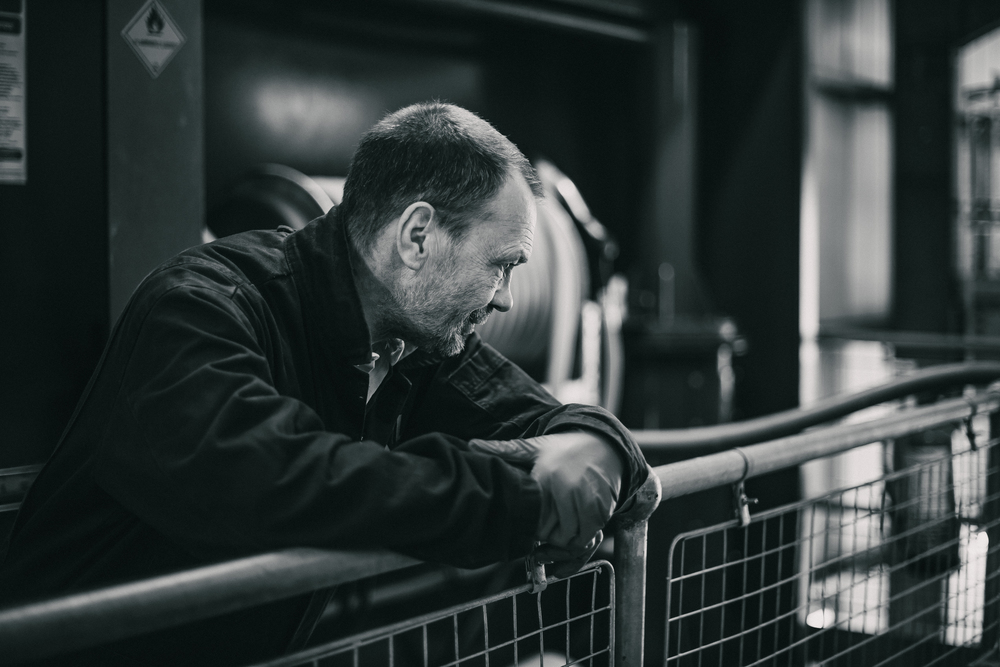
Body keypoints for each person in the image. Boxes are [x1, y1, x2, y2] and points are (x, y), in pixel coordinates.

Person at [0, 102, 647, 664]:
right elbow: (269, 471)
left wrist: (598, 442)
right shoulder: (202, 304)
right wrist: (521, 501)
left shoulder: (416, 343)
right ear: (417, 236)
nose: (505, 299)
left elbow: (544, 421)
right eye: (500, 267)